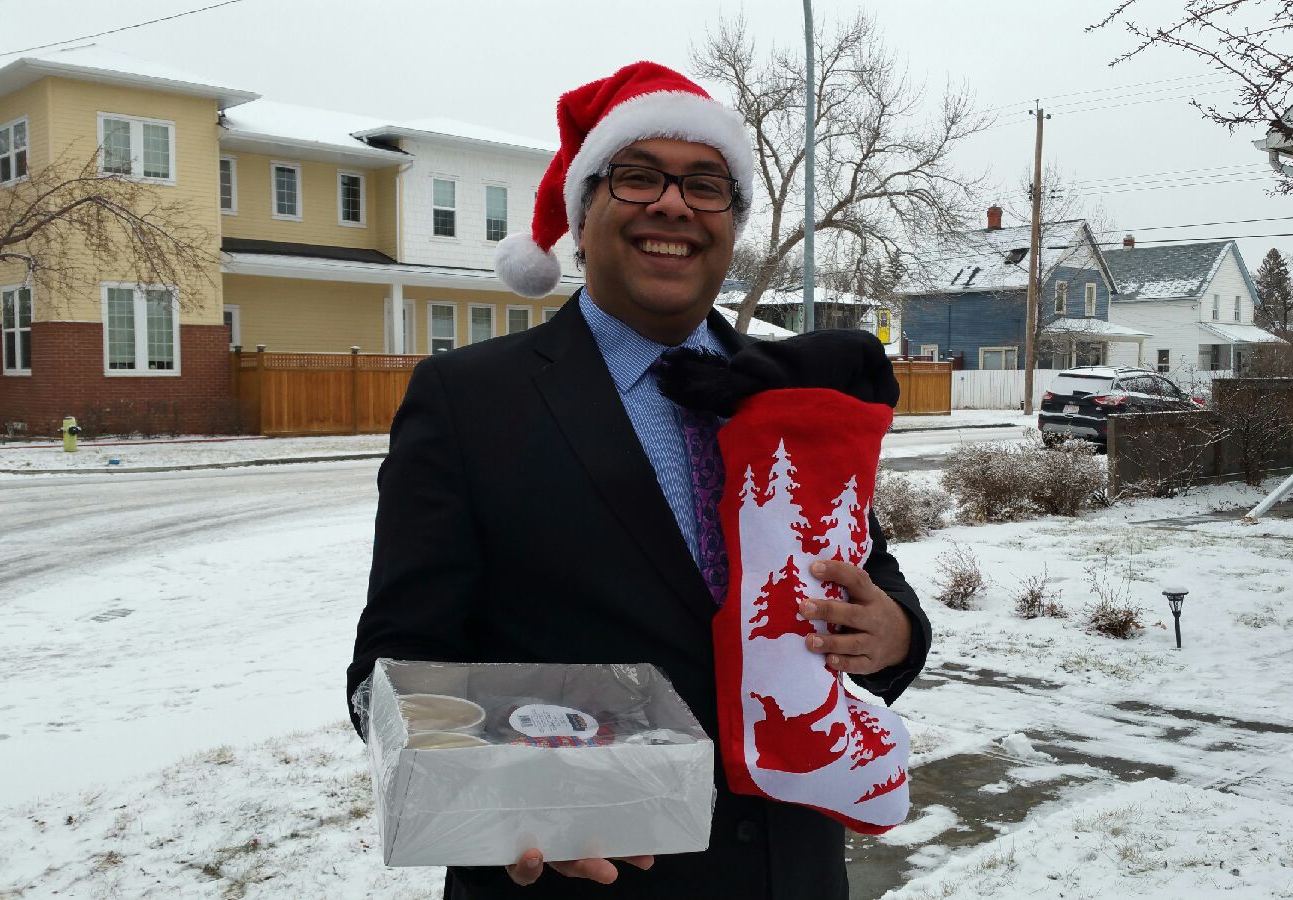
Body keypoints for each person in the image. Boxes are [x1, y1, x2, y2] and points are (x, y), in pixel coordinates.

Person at [348, 61, 931, 900]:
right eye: (638, 176)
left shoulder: (796, 396)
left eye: (705, 185)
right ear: (582, 218)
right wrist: (498, 803)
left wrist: (895, 633)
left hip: (792, 871)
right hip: (583, 877)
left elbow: (874, 577)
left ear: (731, 226)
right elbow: (395, 668)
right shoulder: (469, 401)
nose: (674, 205)